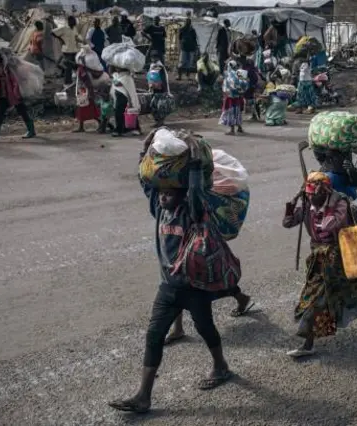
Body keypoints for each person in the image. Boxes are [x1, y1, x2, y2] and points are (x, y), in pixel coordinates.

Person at [108, 132, 233, 414]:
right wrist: (145, 149)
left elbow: (197, 187)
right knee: (153, 336)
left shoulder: (191, 209)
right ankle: (143, 396)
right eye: (161, 193)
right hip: (168, 286)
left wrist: (193, 157)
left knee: (205, 328)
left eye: (168, 193)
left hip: (193, 286)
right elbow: (146, 180)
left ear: (181, 194)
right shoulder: (158, 208)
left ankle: (221, 366)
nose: (163, 197)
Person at [282, 172, 357, 358]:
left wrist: (325, 204)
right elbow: (287, 223)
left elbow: (331, 225)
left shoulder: (339, 203)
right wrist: (293, 204)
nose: (311, 197)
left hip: (341, 256)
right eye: (308, 194)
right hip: (319, 261)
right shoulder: (308, 205)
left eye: (314, 194)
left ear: (325, 191)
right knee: (313, 299)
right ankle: (308, 343)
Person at [0, 47, 36, 143]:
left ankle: (31, 130)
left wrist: (17, 93)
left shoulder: (9, 66)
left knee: (22, 110)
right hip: (2, 94)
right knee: (1, 112)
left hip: (13, 94)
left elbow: (15, 82)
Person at [73, 58, 102, 133]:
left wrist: (89, 93)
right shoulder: (81, 69)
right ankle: (82, 127)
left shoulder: (82, 70)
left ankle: (101, 123)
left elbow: (87, 82)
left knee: (88, 109)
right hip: (82, 91)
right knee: (82, 109)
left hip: (84, 92)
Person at [110, 65, 141, 137]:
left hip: (124, 98)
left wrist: (130, 101)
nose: (116, 68)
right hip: (119, 97)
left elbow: (119, 84)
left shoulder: (126, 77)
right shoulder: (117, 76)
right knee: (122, 113)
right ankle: (124, 129)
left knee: (126, 113)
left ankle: (121, 130)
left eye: (118, 67)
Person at [52, 16, 82, 87]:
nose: (72, 23)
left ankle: (76, 80)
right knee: (68, 68)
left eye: (73, 22)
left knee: (76, 66)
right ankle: (67, 82)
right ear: (68, 22)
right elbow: (53, 32)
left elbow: (76, 35)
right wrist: (61, 39)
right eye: (71, 22)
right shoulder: (64, 28)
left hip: (74, 50)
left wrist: (78, 39)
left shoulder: (74, 28)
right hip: (67, 51)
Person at [219, 60, 246, 135]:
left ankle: (232, 130)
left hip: (230, 97)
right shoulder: (239, 73)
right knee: (237, 112)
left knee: (231, 113)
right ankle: (239, 128)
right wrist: (240, 92)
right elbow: (244, 83)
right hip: (238, 97)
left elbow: (230, 85)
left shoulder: (229, 75)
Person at [147, 56, 173, 128]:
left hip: (161, 90)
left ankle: (160, 122)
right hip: (155, 90)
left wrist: (155, 85)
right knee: (154, 106)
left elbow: (158, 78)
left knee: (160, 107)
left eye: (154, 57)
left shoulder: (159, 66)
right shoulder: (153, 66)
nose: (152, 59)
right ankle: (158, 121)